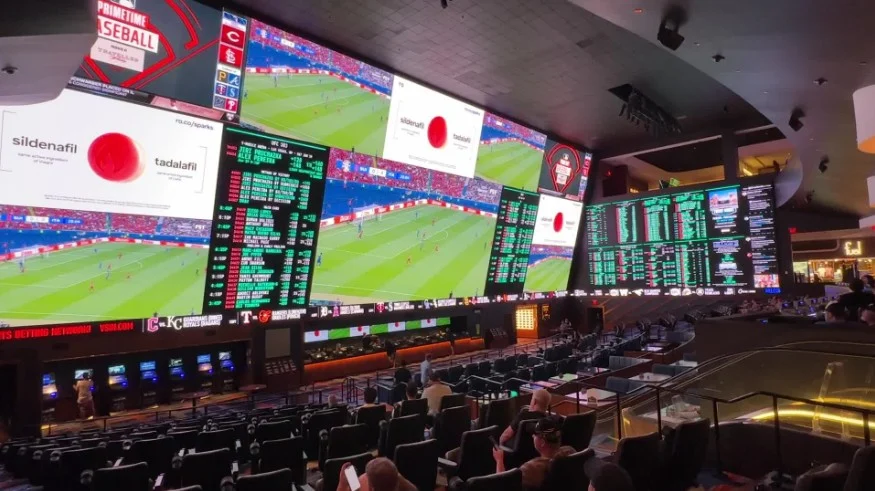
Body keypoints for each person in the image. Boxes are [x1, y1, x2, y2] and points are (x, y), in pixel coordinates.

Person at [492, 416, 575, 491]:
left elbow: (502, 485)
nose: (532, 436)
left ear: (542, 442)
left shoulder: (531, 468)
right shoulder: (570, 452)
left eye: (535, 435)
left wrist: (499, 460)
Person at [336, 458, 416, 491]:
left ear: (372, 488)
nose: (363, 476)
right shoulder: (396, 483)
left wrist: (342, 485)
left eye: (367, 475)